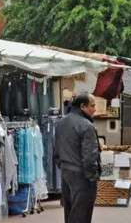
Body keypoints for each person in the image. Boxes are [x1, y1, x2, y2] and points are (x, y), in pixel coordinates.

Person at [54, 92, 99, 223]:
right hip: (82, 174)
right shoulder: (86, 125)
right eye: (92, 106)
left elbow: (56, 150)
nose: (95, 109)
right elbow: (90, 155)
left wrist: (63, 167)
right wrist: (92, 177)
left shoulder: (61, 123)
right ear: (83, 106)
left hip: (66, 172)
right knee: (81, 214)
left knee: (70, 211)